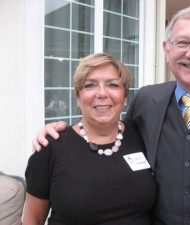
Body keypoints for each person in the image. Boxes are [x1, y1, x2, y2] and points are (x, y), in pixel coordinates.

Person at [32, 5, 190, 225]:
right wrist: (60, 134)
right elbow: (112, 135)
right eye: (183, 42)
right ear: (167, 49)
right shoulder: (146, 101)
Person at [24, 53, 156, 225]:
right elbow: (32, 220)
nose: (101, 93)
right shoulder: (51, 147)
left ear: (125, 97)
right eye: (90, 85)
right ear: (78, 97)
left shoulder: (142, 137)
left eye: (113, 85)